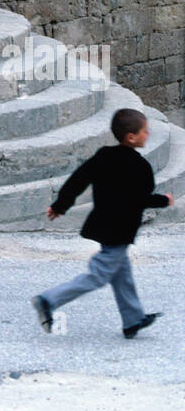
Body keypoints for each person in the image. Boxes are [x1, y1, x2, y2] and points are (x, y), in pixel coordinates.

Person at [32, 107, 173, 339]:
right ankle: (49, 300)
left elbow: (78, 179)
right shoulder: (139, 167)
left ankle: (133, 319)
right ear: (132, 137)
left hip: (103, 225)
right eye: (145, 131)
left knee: (121, 272)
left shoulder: (104, 155)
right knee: (98, 275)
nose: (148, 134)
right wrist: (163, 201)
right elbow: (138, 199)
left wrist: (60, 206)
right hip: (119, 230)